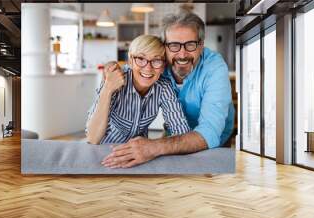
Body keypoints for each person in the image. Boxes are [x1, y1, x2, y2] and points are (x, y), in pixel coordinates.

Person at [101, 10, 235, 169]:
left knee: (209, 178)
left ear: (201, 45)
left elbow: (209, 133)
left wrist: (154, 147)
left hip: (213, 139)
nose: (182, 54)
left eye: (190, 45)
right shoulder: (158, 63)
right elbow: (135, 64)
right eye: (174, 45)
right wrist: (112, 66)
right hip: (175, 136)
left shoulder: (215, 68)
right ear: (164, 47)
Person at [86, 35, 190, 151]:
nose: (148, 68)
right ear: (130, 61)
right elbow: (92, 138)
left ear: (163, 66)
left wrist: (156, 146)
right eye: (141, 59)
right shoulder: (116, 79)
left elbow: (182, 132)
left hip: (141, 152)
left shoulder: (163, 86)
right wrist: (107, 88)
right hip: (106, 149)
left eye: (156, 60)